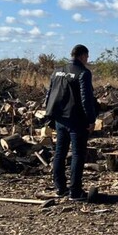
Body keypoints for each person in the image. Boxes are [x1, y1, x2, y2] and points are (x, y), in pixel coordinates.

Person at [45, 44, 97, 200]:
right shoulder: (83, 73)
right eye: (87, 57)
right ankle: (75, 191)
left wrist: (50, 116)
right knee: (78, 154)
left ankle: (60, 188)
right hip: (77, 120)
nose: (87, 60)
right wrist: (91, 119)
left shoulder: (57, 71)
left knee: (60, 153)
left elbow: (49, 95)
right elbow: (86, 99)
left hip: (60, 118)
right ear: (82, 56)